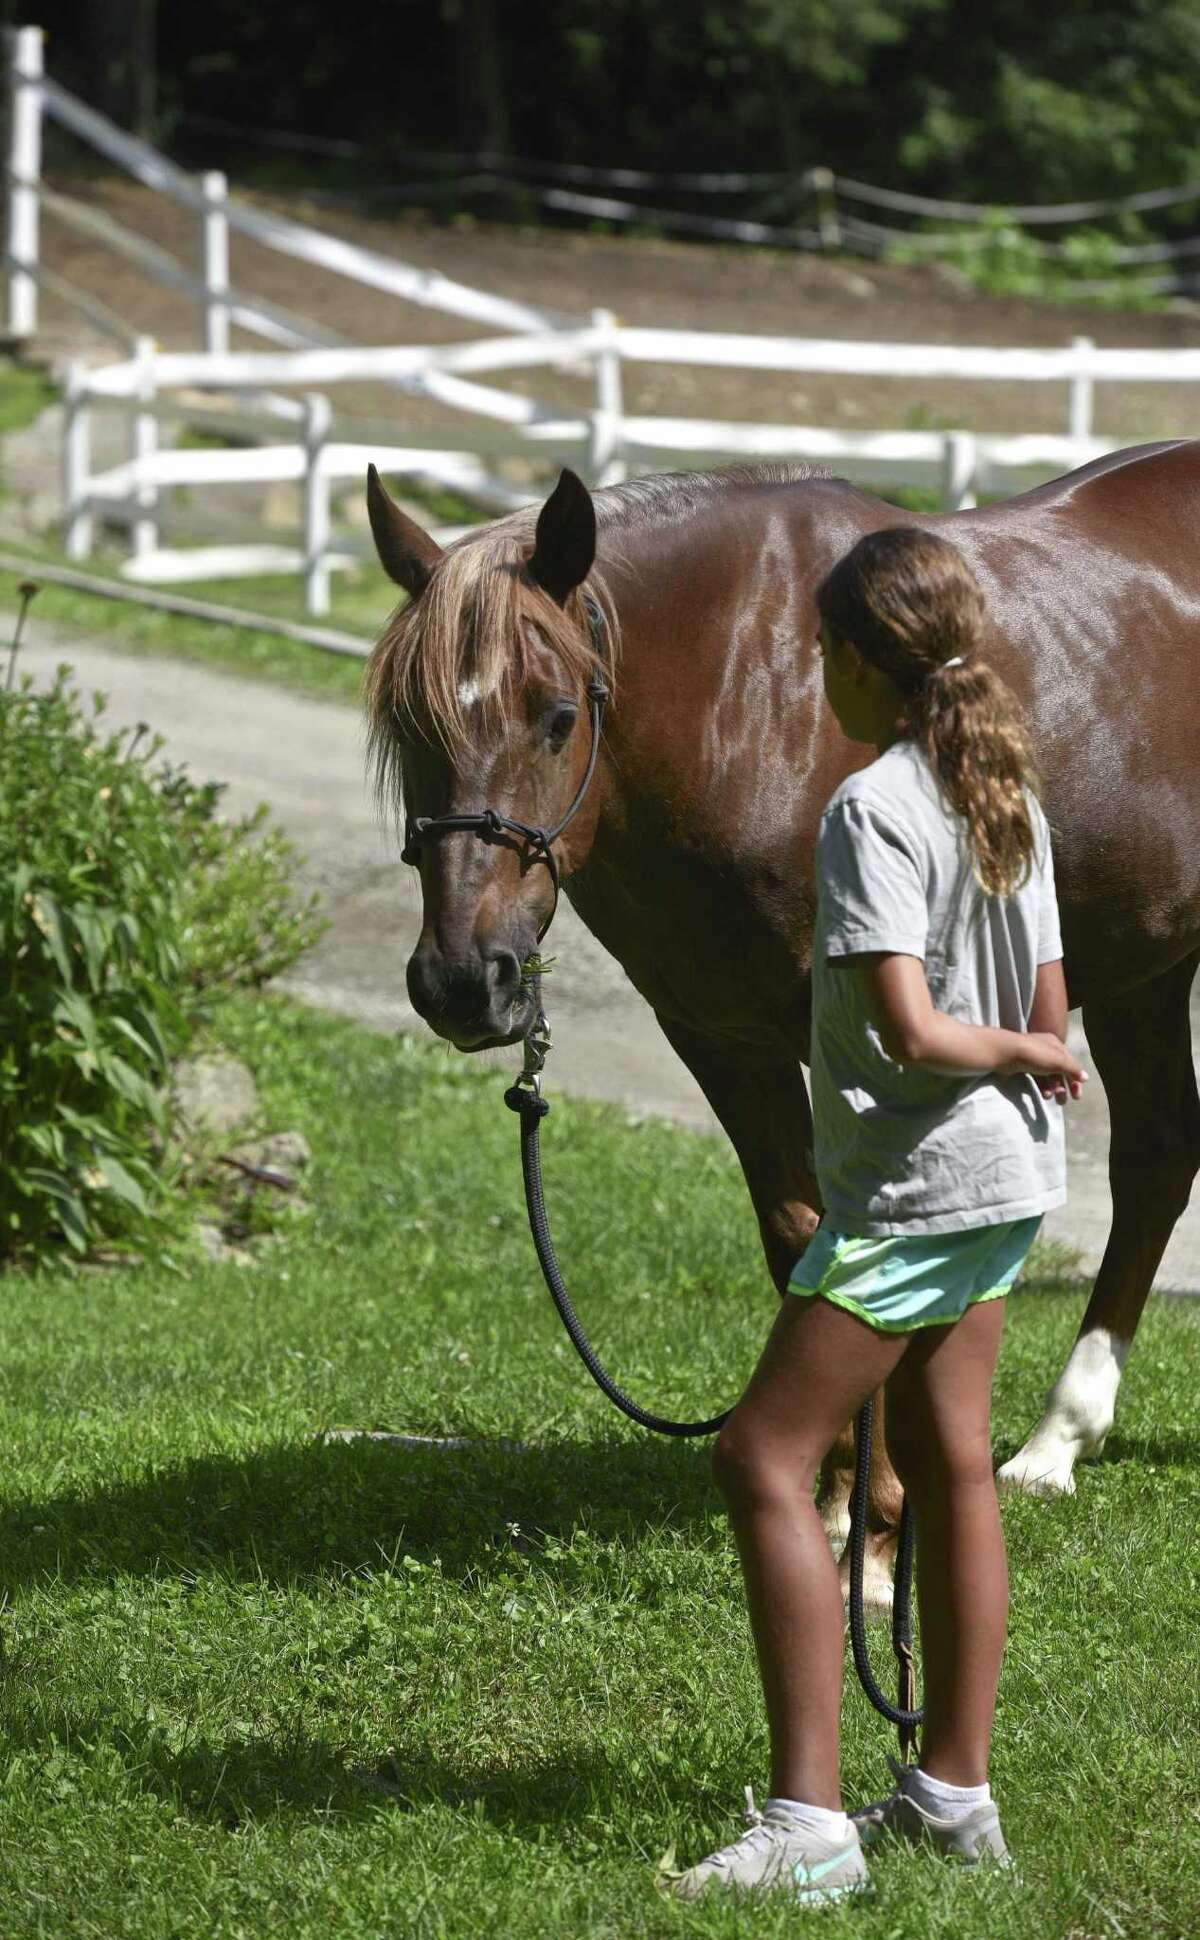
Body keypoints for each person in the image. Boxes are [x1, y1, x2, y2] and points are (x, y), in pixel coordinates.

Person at [669, 526, 1087, 1907]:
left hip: (916, 1192)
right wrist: (1036, 1054)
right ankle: (954, 1796)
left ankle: (810, 1824)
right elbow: (1050, 987)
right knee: (955, 1455)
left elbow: (909, 1028)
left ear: (859, 662)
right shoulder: (1001, 782)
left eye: (819, 656)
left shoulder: (873, 809)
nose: (817, 682)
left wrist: (1018, 1056)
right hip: (1007, 1184)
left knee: (761, 1459)